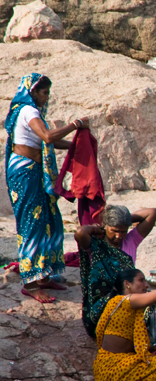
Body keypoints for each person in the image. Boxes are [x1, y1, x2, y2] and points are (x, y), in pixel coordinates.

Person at [4, 73, 88, 303]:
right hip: (25, 174)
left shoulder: (32, 112)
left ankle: (44, 276)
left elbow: (44, 140)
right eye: (45, 92)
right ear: (33, 91)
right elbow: (48, 136)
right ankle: (30, 284)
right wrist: (75, 125)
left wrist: (76, 146)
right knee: (32, 223)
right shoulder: (28, 111)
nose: (47, 96)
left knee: (49, 220)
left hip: (34, 173)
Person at [76, 205, 156, 338]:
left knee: (150, 301)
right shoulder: (96, 246)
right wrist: (96, 228)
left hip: (129, 297)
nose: (119, 235)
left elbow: (151, 213)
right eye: (114, 230)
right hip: (105, 303)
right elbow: (80, 233)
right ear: (105, 226)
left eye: (123, 231)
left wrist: (124, 219)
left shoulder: (130, 241)